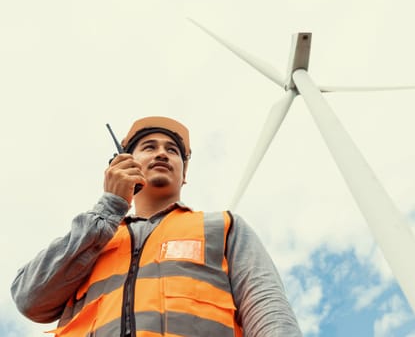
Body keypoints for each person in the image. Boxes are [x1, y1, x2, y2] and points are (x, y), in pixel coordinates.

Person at [11, 116, 302, 337]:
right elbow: (29, 299)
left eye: (172, 150)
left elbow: (268, 311)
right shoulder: (91, 240)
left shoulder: (222, 227)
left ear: (184, 175)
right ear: (123, 162)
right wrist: (109, 207)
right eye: (149, 147)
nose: (162, 154)